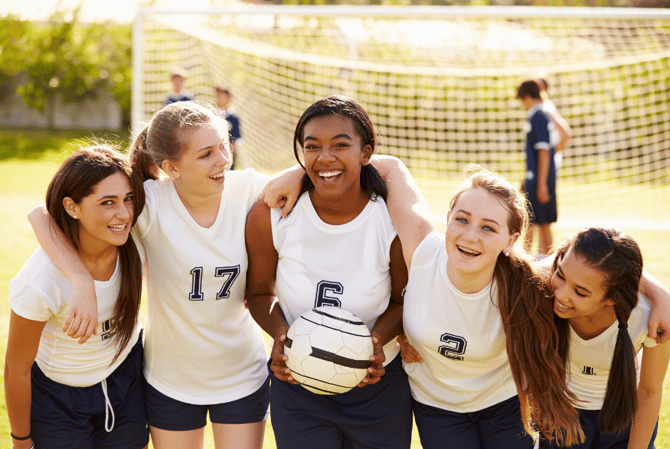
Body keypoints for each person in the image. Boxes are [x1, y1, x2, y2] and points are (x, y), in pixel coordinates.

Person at [29, 100, 428, 449]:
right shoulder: (149, 204)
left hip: (241, 373)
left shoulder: (253, 191)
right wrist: (80, 281)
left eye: (224, 146)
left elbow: (337, 165)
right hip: (169, 376)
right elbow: (44, 214)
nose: (222, 159)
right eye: (206, 154)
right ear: (171, 168)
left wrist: (297, 172)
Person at [245, 95, 414, 449]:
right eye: (312, 146)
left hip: (377, 390)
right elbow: (260, 293)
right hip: (298, 387)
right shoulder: (271, 215)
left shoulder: (391, 222)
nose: (325, 158)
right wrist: (281, 337)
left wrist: (376, 342)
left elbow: (403, 301)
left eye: (340, 145)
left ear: (366, 153)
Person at [398, 167, 583, 449]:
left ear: (510, 240)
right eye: (462, 220)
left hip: (503, 403)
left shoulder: (527, 283)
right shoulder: (422, 252)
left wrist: (659, 295)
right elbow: (391, 168)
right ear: (447, 220)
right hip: (437, 405)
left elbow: (604, 259)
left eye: (488, 227)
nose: (471, 236)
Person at [5, 146, 149, 449]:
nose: (123, 213)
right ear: (72, 207)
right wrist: (21, 441)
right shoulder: (41, 281)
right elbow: (17, 368)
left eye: (128, 199)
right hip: (58, 398)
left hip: (125, 380)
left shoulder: (135, 238)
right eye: (107, 202)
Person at [543, 227, 670, 448]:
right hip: (562, 415)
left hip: (622, 416)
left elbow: (649, 391)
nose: (561, 294)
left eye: (580, 292)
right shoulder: (542, 288)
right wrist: (661, 291)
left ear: (612, 298)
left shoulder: (649, 316)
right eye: (561, 275)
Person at [517, 79, 556, 258]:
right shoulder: (539, 114)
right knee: (539, 221)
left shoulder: (539, 115)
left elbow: (544, 151)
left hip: (541, 179)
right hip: (536, 178)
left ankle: (539, 259)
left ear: (526, 96)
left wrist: (541, 183)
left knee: (539, 221)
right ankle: (545, 258)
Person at [536, 77, 573, 172]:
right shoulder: (539, 108)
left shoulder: (545, 108)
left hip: (546, 165)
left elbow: (566, 134)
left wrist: (549, 155)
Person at [215, 85, 244, 169]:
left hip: (229, 152)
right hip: (215, 152)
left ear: (228, 98)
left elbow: (235, 138)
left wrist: (229, 154)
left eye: (221, 96)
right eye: (217, 96)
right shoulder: (213, 115)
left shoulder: (233, 117)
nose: (219, 98)